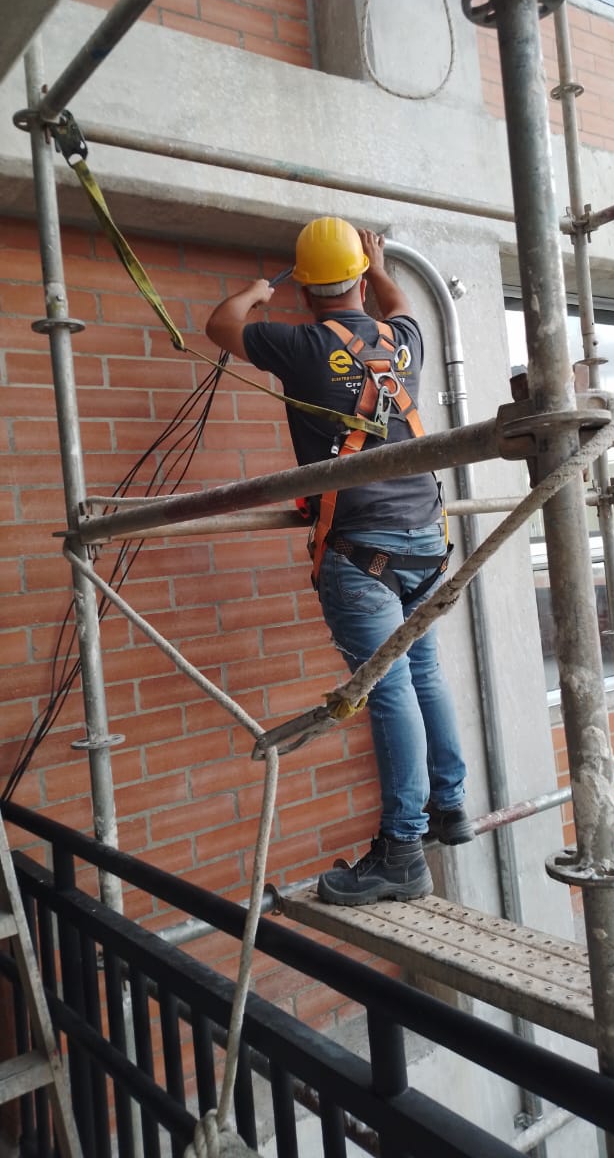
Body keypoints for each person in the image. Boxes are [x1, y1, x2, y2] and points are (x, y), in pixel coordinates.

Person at [206, 217, 473, 906]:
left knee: (390, 689)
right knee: (423, 673)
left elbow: (221, 324)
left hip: (360, 547)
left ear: (305, 288)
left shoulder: (299, 345)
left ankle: (404, 851)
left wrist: (258, 290)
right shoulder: (402, 339)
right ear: (357, 276)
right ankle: (449, 806)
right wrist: (379, 266)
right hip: (424, 538)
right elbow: (401, 303)